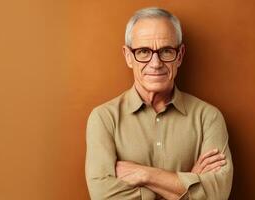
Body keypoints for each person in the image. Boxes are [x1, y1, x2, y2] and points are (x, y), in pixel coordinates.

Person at [85, 7, 233, 200]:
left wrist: (144, 175)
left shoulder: (209, 117)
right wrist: (188, 182)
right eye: (144, 51)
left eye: (166, 51)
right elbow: (102, 195)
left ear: (179, 56)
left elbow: (217, 194)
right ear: (128, 56)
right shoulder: (104, 118)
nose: (155, 63)